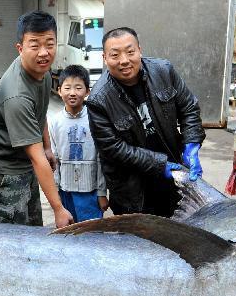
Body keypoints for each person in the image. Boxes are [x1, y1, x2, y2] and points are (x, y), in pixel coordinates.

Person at [85, 27, 205, 217]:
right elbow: (113, 148)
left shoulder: (163, 71)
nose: (124, 60)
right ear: (105, 58)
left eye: (130, 52)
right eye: (115, 55)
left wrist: (191, 143)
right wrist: (159, 165)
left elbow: (189, 107)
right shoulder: (98, 100)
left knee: (179, 235)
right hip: (132, 191)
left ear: (140, 50)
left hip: (173, 180)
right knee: (138, 241)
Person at [0, 10, 74, 229]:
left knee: (32, 224)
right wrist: (58, 209)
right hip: (4, 167)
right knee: (14, 233)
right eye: (34, 45)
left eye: (49, 44)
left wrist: (48, 146)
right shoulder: (16, 95)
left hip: (24, 160)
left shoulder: (43, 72)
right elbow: (37, 158)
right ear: (20, 48)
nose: (43, 53)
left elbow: (40, 114)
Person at [48, 64, 108, 222]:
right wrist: (56, 195)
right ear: (59, 90)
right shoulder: (54, 122)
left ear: (87, 91)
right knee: (68, 234)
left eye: (78, 88)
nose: (73, 93)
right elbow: (53, 159)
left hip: (91, 192)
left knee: (91, 236)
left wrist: (102, 193)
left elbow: (101, 158)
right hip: (65, 191)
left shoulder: (95, 119)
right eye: (67, 88)